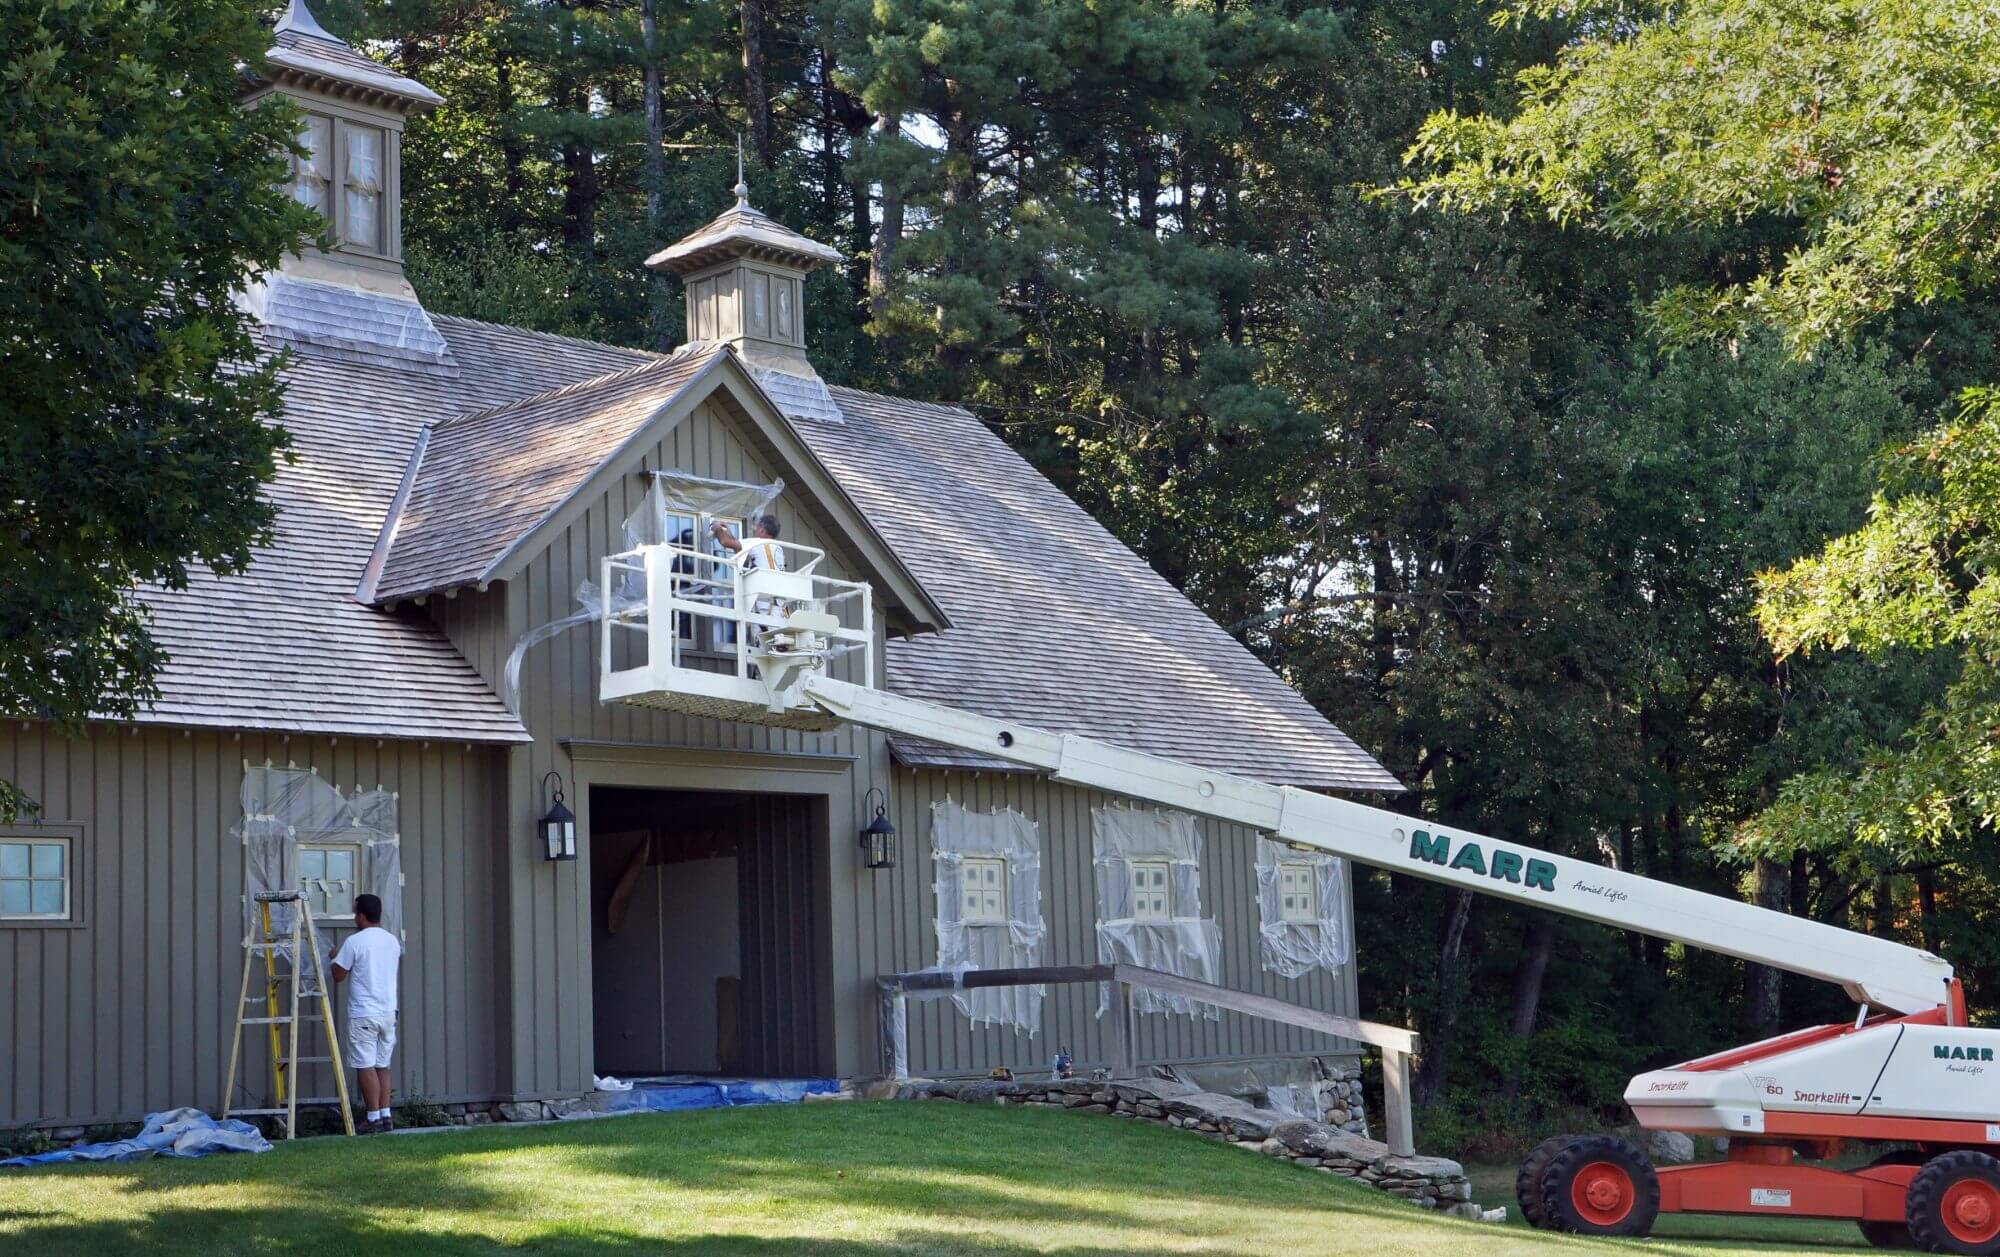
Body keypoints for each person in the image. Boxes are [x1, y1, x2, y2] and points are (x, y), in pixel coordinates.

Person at [330, 893, 402, 1133]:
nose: (354, 917)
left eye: (355, 913)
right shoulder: (392, 941)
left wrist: (334, 959)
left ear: (361, 915)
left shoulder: (355, 942)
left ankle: (372, 1119)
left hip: (364, 1013)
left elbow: (338, 976)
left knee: (365, 1065)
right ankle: (385, 1115)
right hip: (388, 1012)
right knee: (383, 1065)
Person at [708, 515, 787, 643]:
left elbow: (726, 542)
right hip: (779, 609)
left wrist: (716, 528)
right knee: (777, 646)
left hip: (763, 609)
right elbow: (739, 547)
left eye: (757, 527)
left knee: (765, 646)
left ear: (762, 529)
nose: (755, 530)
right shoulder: (777, 548)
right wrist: (728, 530)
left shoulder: (757, 543)